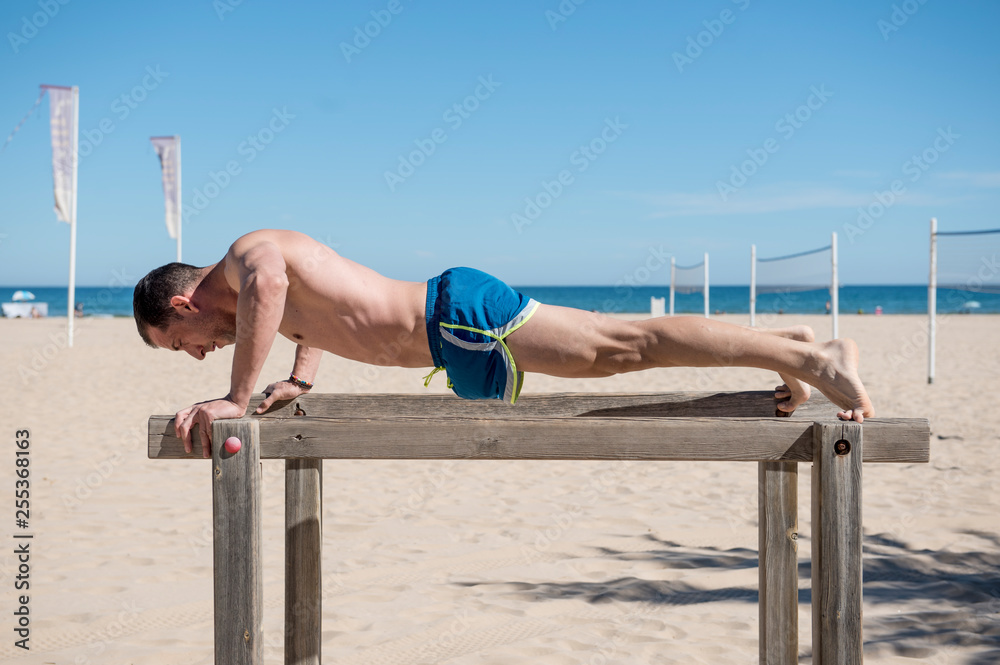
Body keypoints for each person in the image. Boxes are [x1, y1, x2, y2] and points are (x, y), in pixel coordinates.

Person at [133, 229, 874, 457]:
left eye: (181, 343)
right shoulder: (255, 288)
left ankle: (817, 358)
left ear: (181, 302)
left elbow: (272, 289)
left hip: (458, 317)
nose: (196, 354)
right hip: (454, 336)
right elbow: (304, 311)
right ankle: (788, 344)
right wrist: (299, 376)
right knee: (626, 347)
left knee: (629, 343)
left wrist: (233, 395)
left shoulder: (246, 256)